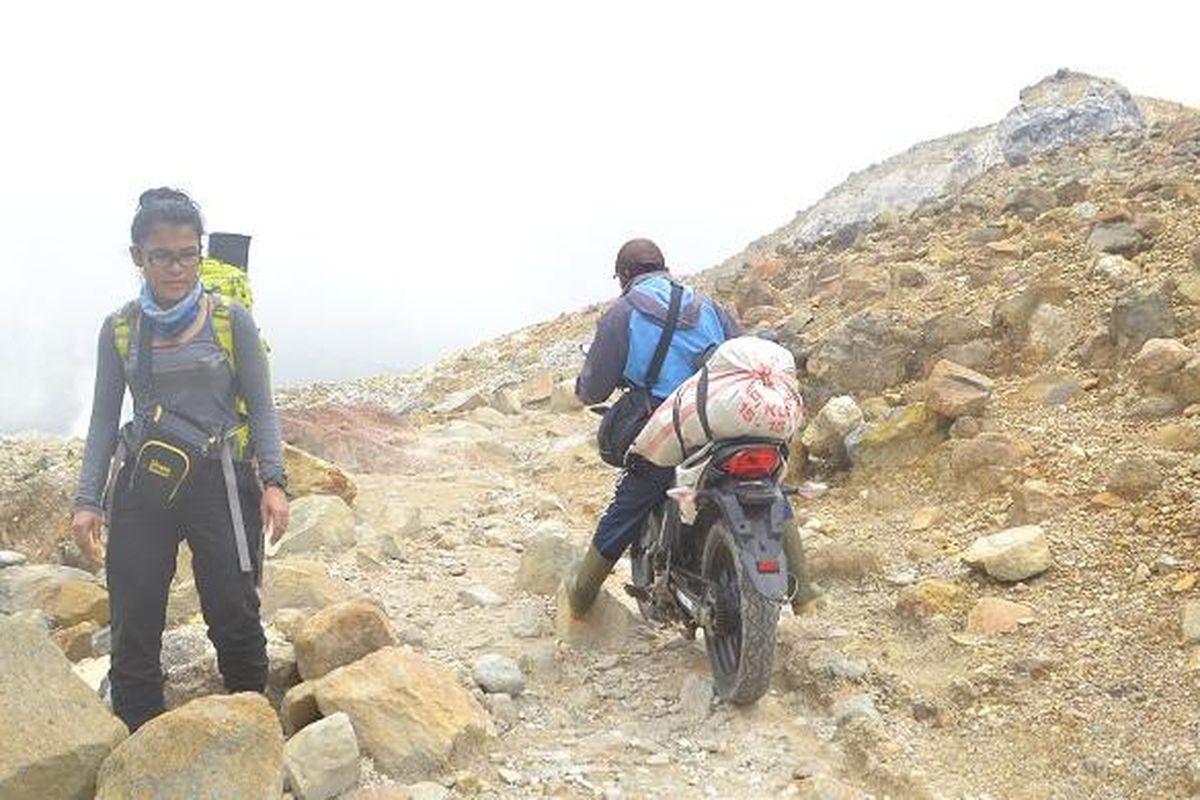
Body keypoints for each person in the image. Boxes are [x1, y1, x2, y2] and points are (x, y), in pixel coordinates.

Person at [71, 188, 289, 731]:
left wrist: (274, 481)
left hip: (219, 481)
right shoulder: (120, 329)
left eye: (188, 253)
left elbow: (262, 408)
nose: (175, 267)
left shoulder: (229, 320)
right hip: (145, 484)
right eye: (161, 255)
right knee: (134, 613)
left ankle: (252, 727)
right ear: (136, 257)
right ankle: (142, 738)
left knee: (233, 609)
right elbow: (103, 418)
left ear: (201, 251)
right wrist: (87, 499)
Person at [564, 238, 818, 619]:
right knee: (769, 488)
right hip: (724, 422)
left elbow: (594, 389)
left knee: (629, 503)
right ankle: (806, 597)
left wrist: (585, 388)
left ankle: (579, 598)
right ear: (663, 267)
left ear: (625, 276)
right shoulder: (709, 306)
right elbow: (741, 356)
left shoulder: (622, 314)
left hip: (670, 428)